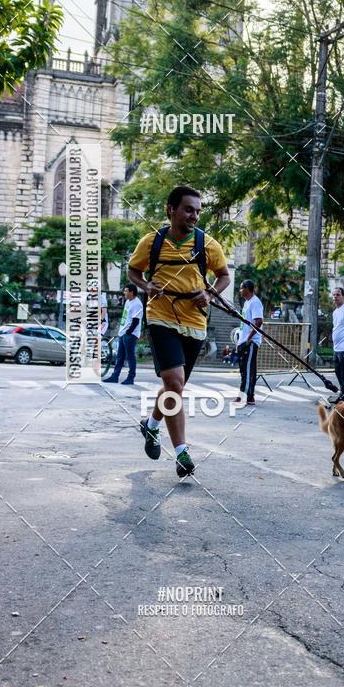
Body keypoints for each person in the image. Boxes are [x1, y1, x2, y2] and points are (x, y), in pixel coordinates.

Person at [126, 186, 230, 477]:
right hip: (160, 317)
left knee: (175, 387)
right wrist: (146, 286)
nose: (194, 216)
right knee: (174, 382)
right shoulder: (151, 242)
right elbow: (133, 271)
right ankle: (182, 453)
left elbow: (224, 276)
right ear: (170, 209)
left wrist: (209, 295)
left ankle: (152, 424)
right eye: (188, 209)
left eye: (197, 211)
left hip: (195, 322)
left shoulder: (206, 244)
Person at [103, 284, 143, 385]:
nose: (124, 293)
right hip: (123, 333)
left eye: (126, 291)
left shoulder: (137, 304)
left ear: (131, 292)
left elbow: (136, 321)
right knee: (120, 356)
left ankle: (130, 378)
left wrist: (128, 332)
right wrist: (122, 332)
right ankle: (115, 376)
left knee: (130, 357)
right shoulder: (128, 302)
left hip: (130, 334)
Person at [234, 279, 263, 405]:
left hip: (250, 342)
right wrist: (240, 341)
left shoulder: (255, 302)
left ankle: (243, 396)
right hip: (243, 340)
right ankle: (250, 396)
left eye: (242, 288)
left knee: (247, 370)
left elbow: (259, 321)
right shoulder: (247, 303)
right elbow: (243, 324)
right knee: (245, 370)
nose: (240, 291)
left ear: (247, 289)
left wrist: (249, 338)